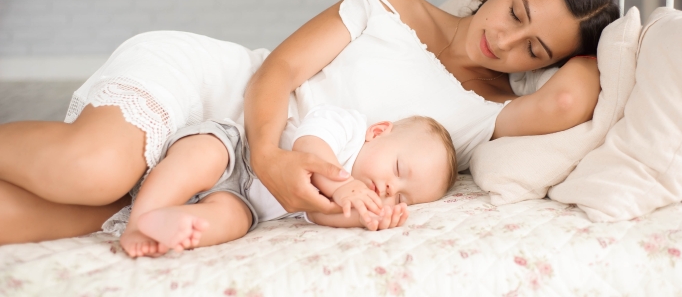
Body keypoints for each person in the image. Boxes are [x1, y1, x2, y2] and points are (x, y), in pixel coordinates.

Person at [0, 0, 619, 245]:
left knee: (32, 221)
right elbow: (280, 69)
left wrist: (603, 30)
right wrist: (270, 155)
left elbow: (575, 96)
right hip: (218, 94)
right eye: (517, 11)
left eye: (534, 51)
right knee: (94, 170)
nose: (505, 40)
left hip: (235, 188)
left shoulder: (488, 116)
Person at [118, 104, 457, 257]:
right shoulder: (348, 127)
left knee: (233, 221)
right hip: (235, 152)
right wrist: (341, 186)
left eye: (402, 198)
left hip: (244, 201)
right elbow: (308, 144)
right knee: (201, 158)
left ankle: (177, 223)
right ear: (379, 132)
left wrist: (368, 217)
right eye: (398, 170)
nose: (389, 189)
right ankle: (141, 218)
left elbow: (320, 214)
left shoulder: (356, 197)